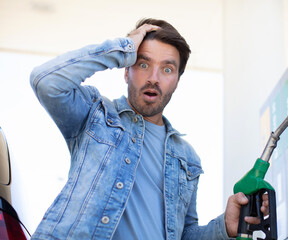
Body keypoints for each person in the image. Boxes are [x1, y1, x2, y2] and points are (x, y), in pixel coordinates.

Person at [30, 18, 268, 240]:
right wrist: (124, 48)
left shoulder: (187, 158)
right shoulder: (94, 114)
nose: (153, 78)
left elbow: (184, 233)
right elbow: (46, 81)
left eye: (167, 69)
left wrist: (224, 227)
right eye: (143, 64)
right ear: (126, 70)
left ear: (176, 80)